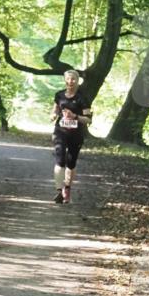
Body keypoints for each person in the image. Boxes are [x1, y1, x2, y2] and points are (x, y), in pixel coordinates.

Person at [50, 69, 92, 204]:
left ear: (77, 81)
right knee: (59, 160)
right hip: (60, 131)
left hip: (76, 134)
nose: (70, 81)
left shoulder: (83, 98)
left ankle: (67, 188)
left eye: (73, 79)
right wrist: (53, 115)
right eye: (68, 79)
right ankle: (58, 191)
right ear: (65, 80)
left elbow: (88, 119)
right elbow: (55, 109)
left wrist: (74, 116)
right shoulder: (59, 95)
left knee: (71, 163)